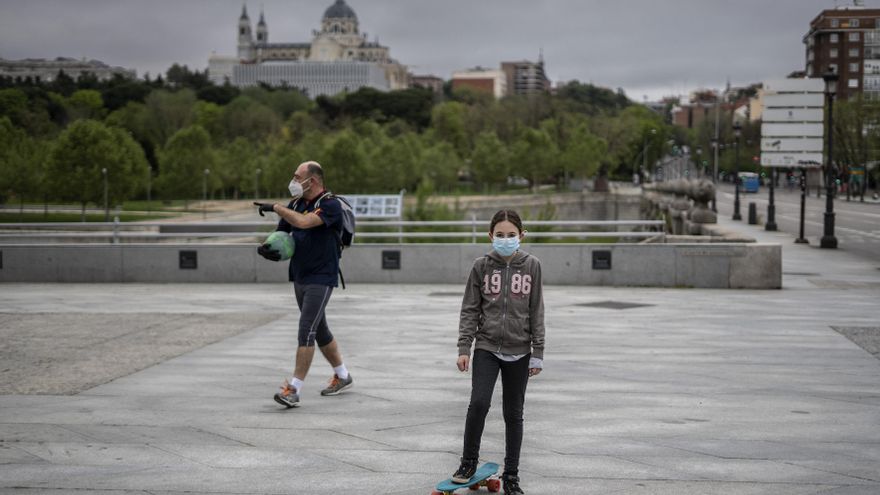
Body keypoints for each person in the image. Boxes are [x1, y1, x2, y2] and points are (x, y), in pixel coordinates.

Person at [451, 209, 545, 495]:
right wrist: (464, 346)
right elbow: (470, 308)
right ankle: (468, 463)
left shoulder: (532, 266)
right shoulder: (481, 266)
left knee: (513, 414)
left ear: (521, 236)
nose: (506, 240)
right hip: (487, 348)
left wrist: (538, 350)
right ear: (491, 236)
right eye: (500, 235)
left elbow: (536, 309)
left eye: (511, 235)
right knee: (478, 403)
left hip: (520, 350)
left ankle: (512, 475)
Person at [254, 160, 352, 408]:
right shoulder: (297, 204)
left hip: (322, 276)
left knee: (306, 328)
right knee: (319, 330)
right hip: (300, 274)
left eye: (298, 177)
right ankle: (343, 375)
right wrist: (268, 248)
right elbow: (284, 234)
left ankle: (293, 390)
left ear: (314, 180)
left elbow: (304, 222)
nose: (293, 181)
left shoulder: (329, 205)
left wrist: (276, 207)